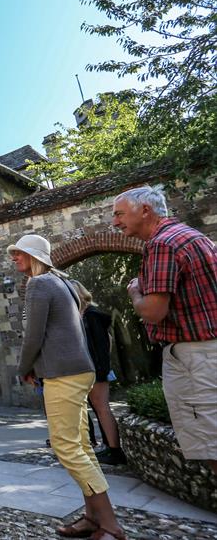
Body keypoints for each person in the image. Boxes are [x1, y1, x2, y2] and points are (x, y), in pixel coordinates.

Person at [9, 234, 126, 540]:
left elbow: (33, 335)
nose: (13, 257)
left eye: (18, 253)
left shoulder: (39, 284)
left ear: (33, 255)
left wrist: (24, 369)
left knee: (66, 447)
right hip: (79, 370)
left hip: (63, 373)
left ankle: (111, 525)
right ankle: (92, 517)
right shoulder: (64, 283)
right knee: (82, 447)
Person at [113, 185, 217, 474]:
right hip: (206, 352)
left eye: (120, 214)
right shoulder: (191, 236)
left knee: (212, 446)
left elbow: (153, 312)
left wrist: (135, 291)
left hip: (197, 358)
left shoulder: (162, 244)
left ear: (145, 210)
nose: (115, 222)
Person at [75, 283, 126, 466]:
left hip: (96, 370)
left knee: (102, 408)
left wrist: (100, 371)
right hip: (92, 370)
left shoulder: (92, 316)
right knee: (99, 408)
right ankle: (109, 446)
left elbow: (101, 346)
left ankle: (115, 450)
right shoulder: (85, 316)